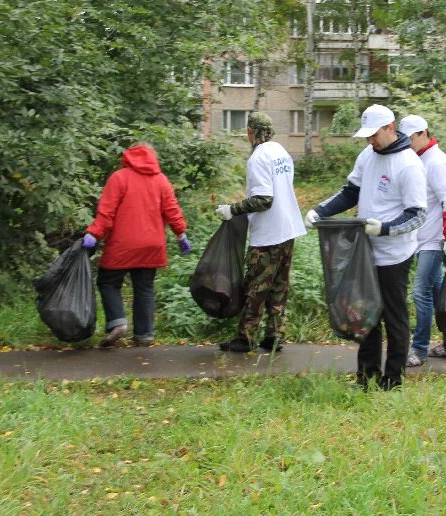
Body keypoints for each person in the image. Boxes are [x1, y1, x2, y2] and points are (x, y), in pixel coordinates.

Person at [304, 104, 427, 390]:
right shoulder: (367, 155)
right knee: (366, 312)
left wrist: (385, 228)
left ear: (390, 128)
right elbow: (351, 192)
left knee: (394, 316)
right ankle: (365, 376)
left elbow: (417, 214)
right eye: (367, 136)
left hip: (395, 255)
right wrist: (321, 211)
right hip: (366, 251)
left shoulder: (409, 164)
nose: (370, 140)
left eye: (374, 134)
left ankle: (393, 379)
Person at [83, 143, 191, 347]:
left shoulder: (119, 178)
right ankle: (144, 334)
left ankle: (117, 322)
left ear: (128, 157)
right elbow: (172, 211)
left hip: (123, 244)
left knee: (108, 282)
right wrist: (181, 235)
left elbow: (107, 213)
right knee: (145, 288)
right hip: (152, 245)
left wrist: (93, 234)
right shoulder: (161, 180)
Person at [216, 112, 306, 353]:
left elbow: (264, 199)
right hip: (289, 230)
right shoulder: (281, 152)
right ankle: (275, 336)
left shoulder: (258, 157)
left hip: (269, 234)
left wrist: (232, 210)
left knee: (255, 287)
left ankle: (245, 339)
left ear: (250, 132)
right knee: (279, 287)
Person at [398, 115, 446, 367]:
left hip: (435, 241)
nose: (408, 143)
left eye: (412, 139)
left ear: (424, 134)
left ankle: (418, 350)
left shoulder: (437, 162)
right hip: (421, 239)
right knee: (438, 295)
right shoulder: (418, 159)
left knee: (421, 292)